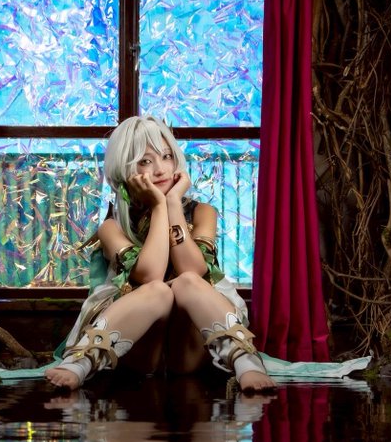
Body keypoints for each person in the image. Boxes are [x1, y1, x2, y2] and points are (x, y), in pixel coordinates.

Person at [44, 115, 277, 394]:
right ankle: (81, 362)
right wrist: (158, 206)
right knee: (158, 290)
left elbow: (194, 270)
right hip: (139, 350)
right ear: (125, 168)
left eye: (167, 156)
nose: (160, 169)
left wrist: (172, 203)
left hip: (190, 347)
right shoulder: (111, 227)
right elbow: (150, 274)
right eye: (145, 161)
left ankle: (246, 362)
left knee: (187, 281)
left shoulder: (203, 212)